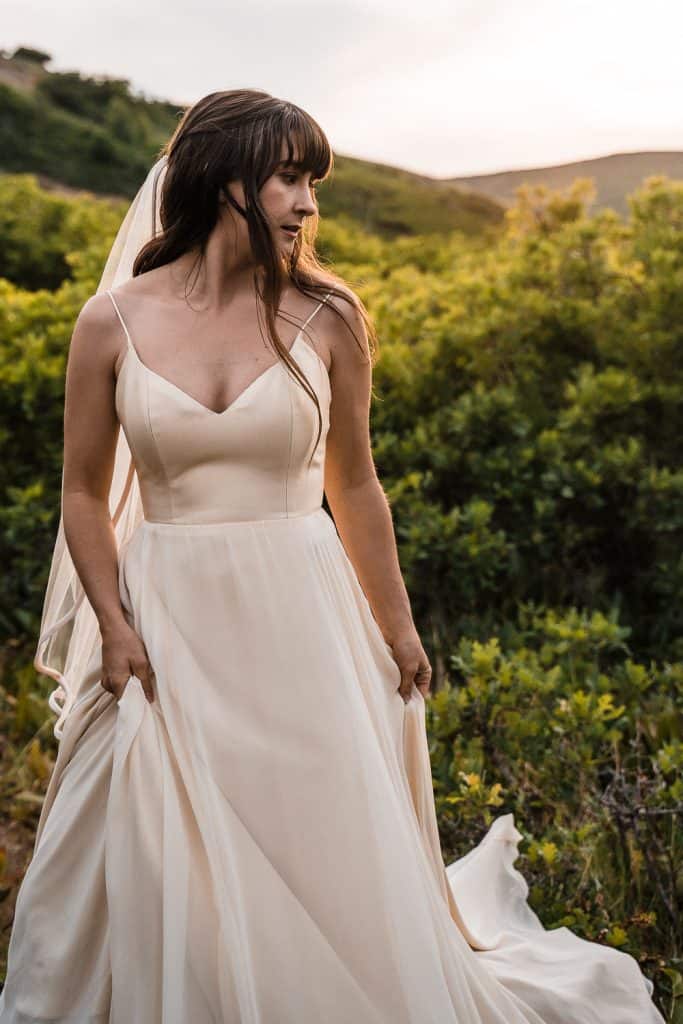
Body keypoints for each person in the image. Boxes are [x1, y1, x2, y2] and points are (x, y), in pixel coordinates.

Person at [0, 89, 664, 1024]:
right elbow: (81, 491)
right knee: (154, 840)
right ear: (217, 176)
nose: (307, 202)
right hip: (165, 619)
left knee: (314, 834)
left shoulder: (329, 316)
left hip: (300, 611)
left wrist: (396, 628)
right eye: (285, 176)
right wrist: (111, 626)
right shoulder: (108, 323)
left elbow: (353, 484)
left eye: (312, 180)